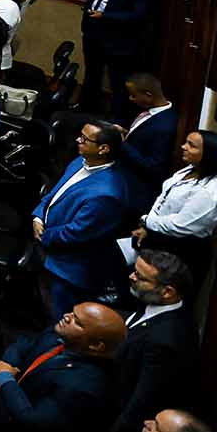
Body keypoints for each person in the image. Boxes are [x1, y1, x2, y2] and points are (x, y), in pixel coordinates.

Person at [0, 303, 128, 432]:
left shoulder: (83, 387)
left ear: (95, 346)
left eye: (77, 322)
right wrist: (7, 364)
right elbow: (23, 343)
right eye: (72, 313)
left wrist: (5, 379)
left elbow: (32, 422)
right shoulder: (62, 334)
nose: (66, 317)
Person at [35, 121, 134, 317]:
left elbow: (77, 232)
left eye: (85, 139)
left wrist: (44, 235)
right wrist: (38, 215)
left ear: (103, 149)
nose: (77, 140)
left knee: (60, 321)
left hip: (68, 269)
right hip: (49, 251)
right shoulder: (78, 163)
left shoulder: (108, 193)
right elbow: (54, 193)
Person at [110, 249, 202, 432]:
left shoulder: (165, 341)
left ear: (167, 291)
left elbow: (142, 400)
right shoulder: (161, 302)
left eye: (140, 277)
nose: (131, 277)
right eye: (135, 271)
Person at [136, 128, 217, 278]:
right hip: (158, 239)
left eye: (191, 145)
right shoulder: (189, 170)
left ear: (208, 153)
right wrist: (148, 226)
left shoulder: (211, 192)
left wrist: (147, 221)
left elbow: (180, 225)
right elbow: (163, 199)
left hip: (181, 251)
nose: (183, 147)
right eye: (186, 142)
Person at [79, 0, 157, 107]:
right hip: (92, 32)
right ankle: (86, 106)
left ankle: (115, 117)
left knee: (117, 82)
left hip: (117, 41)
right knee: (92, 74)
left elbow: (138, 16)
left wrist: (106, 16)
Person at [121, 72, 180, 184]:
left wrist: (122, 144)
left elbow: (154, 167)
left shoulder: (165, 126)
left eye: (133, 95)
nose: (130, 99)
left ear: (148, 95)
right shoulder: (146, 110)